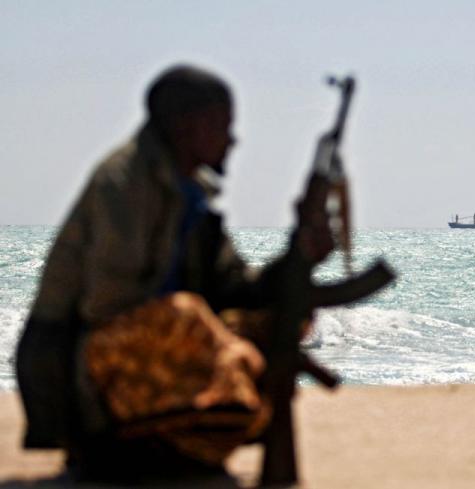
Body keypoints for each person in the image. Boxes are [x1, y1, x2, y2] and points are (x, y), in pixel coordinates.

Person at [15, 64, 334, 481]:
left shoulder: (191, 198)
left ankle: (197, 442)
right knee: (186, 314)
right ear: (187, 127)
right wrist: (215, 339)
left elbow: (237, 286)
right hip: (77, 360)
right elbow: (107, 305)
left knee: (281, 318)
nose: (232, 139)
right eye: (221, 125)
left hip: (146, 343)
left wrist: (300, 255)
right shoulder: (125, 183)